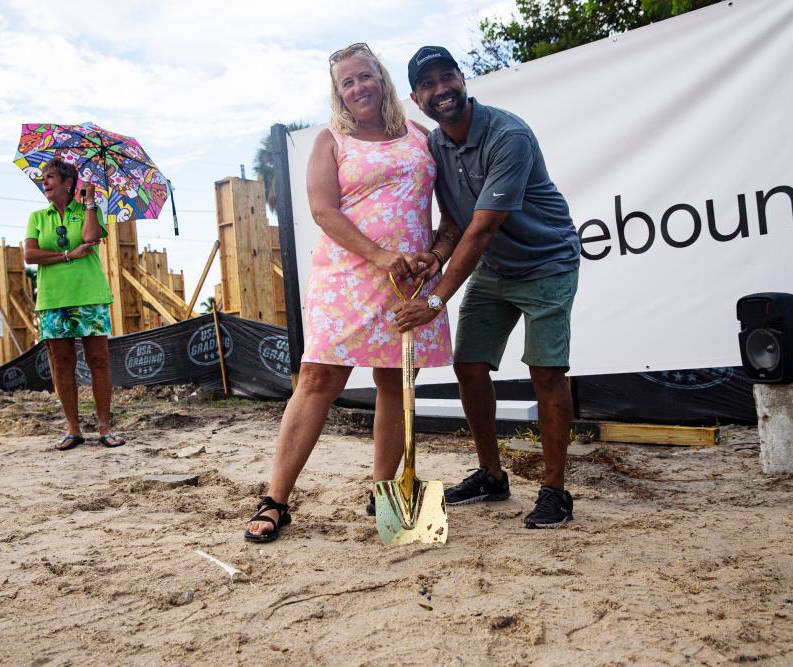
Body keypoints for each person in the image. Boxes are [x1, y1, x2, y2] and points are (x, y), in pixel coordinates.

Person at [244, 42, 453, 542]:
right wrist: (380, 255)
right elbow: (324, 211)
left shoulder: (422, 137)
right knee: (318, 379)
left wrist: (436, 257)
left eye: (365, 76)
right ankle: (276, 500)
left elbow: (452, 213)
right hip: (347, 278)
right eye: (347, 83)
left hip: (410, 283)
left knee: (395, 383)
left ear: (381, 78)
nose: (358, 87)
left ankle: (384, 493)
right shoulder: (331, 140)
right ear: (338, 94)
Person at [394, 46, 581, 529]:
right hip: (496, 270)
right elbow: (456, 218)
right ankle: (492, 477)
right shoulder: (435, 145)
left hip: (546, 264)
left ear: (461, 77)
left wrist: (435, 299)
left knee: (546, 374)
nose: (441, 91)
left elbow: (481, 227)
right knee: (470, 365)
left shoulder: (508, 135)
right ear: (417, 99)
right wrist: (434, 256)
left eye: (446, 77)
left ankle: (555, 492)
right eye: (428, 85)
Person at [23, 157, 126, 450]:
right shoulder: (37, 217)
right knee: (62, 363)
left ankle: (105, 426)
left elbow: (92, 238)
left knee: (98, 360)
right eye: (43, 178)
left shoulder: (87, 211)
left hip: (89, 295)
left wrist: (91, 200)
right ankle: (73, 428)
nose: (45, 182)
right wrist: (68, 255)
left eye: (51, 177)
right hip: (54, 299)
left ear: (69, 183)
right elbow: (30, 255)